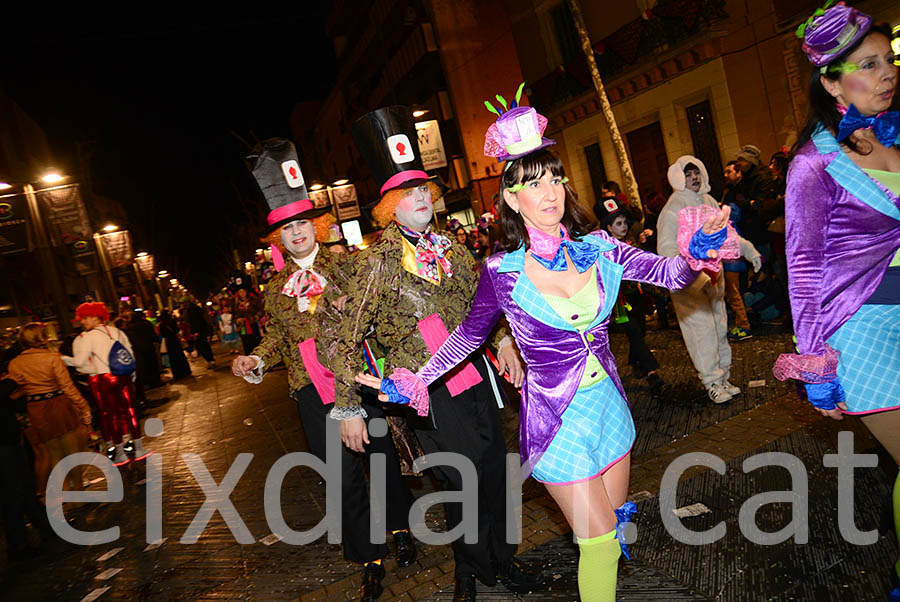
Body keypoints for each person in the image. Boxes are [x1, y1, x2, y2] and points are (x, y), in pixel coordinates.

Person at [359, 96, 734, 602]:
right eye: (533, 183)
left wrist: (699, 252)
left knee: (614, 533)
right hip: (556, 424)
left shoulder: (600, 247)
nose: (549, 192)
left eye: (554, 178)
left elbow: (668, 274)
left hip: (610, 413)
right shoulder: (503, 272)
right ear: (512, 199)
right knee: (598, 543)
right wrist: (416, 380)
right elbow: (468, 338)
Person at [338, 105, 538, 601]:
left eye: (425, 188)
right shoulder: (378, 263)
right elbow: (344, 339)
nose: (422, 197)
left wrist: (505, 341)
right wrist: (347, 408)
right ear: (388, 207)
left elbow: (484, 307)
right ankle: (469, 570)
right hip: (425, 388)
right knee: (458, 478)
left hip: (474, 373)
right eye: (409, 193)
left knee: (493, 468)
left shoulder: (451, 246)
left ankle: (502, 559)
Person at [230, 139, 417, 602]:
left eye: (304, 223)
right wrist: (256, 357)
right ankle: (368, 556)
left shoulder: (350, 266)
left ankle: (400, 529)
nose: (297, 233)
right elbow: (276, 335)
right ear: (280, 238)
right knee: (340, 473)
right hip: (309, 386)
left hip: (357, 375)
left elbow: (372, 317)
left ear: (319, 226)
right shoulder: (275, 289)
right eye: (288, 228)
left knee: (381, 459)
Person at [773, 5, 900, 598]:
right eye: (869, 65)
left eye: (889, 60)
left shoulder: (896, 132)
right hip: (862, 327)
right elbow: (801, 267)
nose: (887, 73)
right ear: (830, 82)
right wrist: (814, 365)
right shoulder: (813, 164)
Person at [658, 156, 758, 403]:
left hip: (714, 276)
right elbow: (666, 248)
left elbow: (727, 233)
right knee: (700, 330)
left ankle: (723, 376)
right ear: (679, 177)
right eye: (689, 174)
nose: (695, 178)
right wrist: (682, 271)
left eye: (697, 172)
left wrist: (748, 250)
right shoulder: (673, 207)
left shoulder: (709, 200)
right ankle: (712, 381)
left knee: (719, 327)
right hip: (689, 281)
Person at [8, 323, 92, 491]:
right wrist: (84, 407)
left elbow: (15, 391)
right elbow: (68, 387)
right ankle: (78, 493)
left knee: (54, 455)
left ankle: (66, 493)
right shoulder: (52, 358)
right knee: (72, 451)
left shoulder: (15, 364)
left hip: (36, 408)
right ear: (43, 338)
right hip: (58, 404)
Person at [63, 303, 148, 465]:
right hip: (124, 376)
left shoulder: (89, 337)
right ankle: (139, 448)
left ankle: (120, 453)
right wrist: (133, 376)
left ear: (96, 317)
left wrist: (63, 359)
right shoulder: (117, 331)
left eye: (85, 318)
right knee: (130, 410)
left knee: (111, 414)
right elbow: (130, 355)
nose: (82, 322)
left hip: (104, 378)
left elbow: (80, 362)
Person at [594, 197, 664, 395]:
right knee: (634, 332)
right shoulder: (603, 248)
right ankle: (652, 372)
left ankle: (635, 362)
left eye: (624, 222)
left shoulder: (631, 242)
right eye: (618, 223)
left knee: (640, 331)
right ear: (608, 227)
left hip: (638, 296)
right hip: (619, 301)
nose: (623, 226)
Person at [721, 161, 756, 341]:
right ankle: (742, 324)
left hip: (731, 257)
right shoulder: (732, 195)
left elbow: (734, 217)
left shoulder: (735, 200)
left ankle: (744, 326)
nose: (725, 175)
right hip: (731, 257)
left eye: (729, 171)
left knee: (734, 293)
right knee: (733, 293)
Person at [125, 309, 162, 401]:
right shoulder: (146, 323)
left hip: (139, 349)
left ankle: (148, 381)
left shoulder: (130, 327)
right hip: (149, 346)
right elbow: (153, 334)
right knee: (152, 363)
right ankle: (156, 380)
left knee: (144, 366)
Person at [156, 310, 192, 380]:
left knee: (173, 359)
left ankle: (178, 374)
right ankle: (185, 371)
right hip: (175, 340)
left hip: (169, 342)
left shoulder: (161, 325)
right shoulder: (172, 321)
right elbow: (177, 330)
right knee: (180, 356)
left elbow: (162, 334)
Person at [183, 298, 215, 368]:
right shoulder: (195, 308)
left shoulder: (191, 310)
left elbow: (195, 322)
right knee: (204, 345)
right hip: (202, 330)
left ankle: (209, 360)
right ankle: (210, 360)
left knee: (201, 346)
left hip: (198, 331)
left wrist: (195, 332)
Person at [233, 286, 263, 355]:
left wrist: (256, 317)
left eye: (243, 291)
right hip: (243, 326)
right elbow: (234, 314)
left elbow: (261, 309)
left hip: (253, 324)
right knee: (246, 343)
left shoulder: (253, 299)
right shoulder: (237, 303)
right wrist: (237, 320)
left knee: (256, 341)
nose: (242, 293)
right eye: (240, 292)